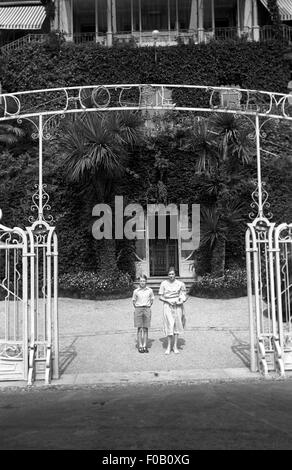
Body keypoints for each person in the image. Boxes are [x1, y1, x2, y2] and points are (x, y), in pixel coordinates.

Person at [159, 266, 187, 355]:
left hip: (177, 306)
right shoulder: (163, 283)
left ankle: (175, 346)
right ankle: (168, 346)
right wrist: (167, 301)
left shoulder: (180, 283)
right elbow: (160, 296)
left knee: (176, 325)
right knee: (169, 325)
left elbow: (183, 294)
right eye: (169, 274)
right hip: (167, 305)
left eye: (173, 274)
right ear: (168, 275)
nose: (171, 275)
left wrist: (181, 301)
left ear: (175, 274)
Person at [132, 274, 154, 353]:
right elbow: (134, 301)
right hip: (138, 309)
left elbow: (152, 300)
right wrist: (138, 308)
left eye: (144, 281)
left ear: (146, 281)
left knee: (145, 328)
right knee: (139, 328)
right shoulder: (136, 291)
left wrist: (147, 306)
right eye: (141, 281)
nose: (142, 282)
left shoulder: (149, 290)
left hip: (147, 308)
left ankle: (145, 345)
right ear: (139, 282)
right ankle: (140, 345)